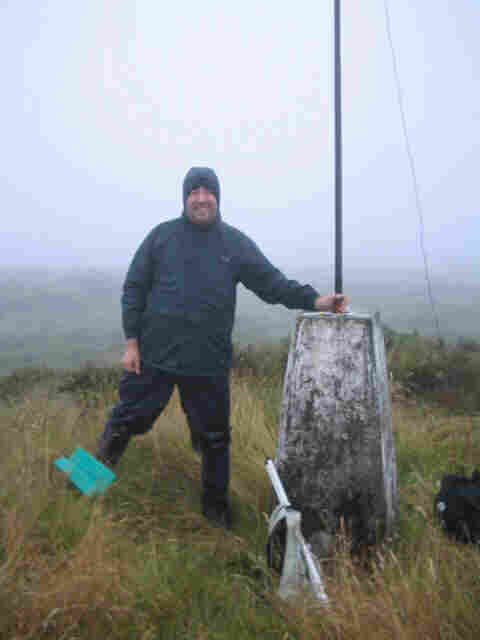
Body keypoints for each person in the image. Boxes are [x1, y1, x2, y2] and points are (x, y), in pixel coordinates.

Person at [97, 167, 347, 528]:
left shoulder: (234, 244)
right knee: (124, 420)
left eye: (208, 191)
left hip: (207, 363)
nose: (201, 198)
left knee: (214, 441)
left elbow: (271, 283)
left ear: (218, 197)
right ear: (185, 198)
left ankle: (216, 517)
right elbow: (133, 288)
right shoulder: (161, 238)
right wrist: (131, 343)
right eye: (194, 192)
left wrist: (316, 301)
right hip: (153, 356)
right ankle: (82, 485)